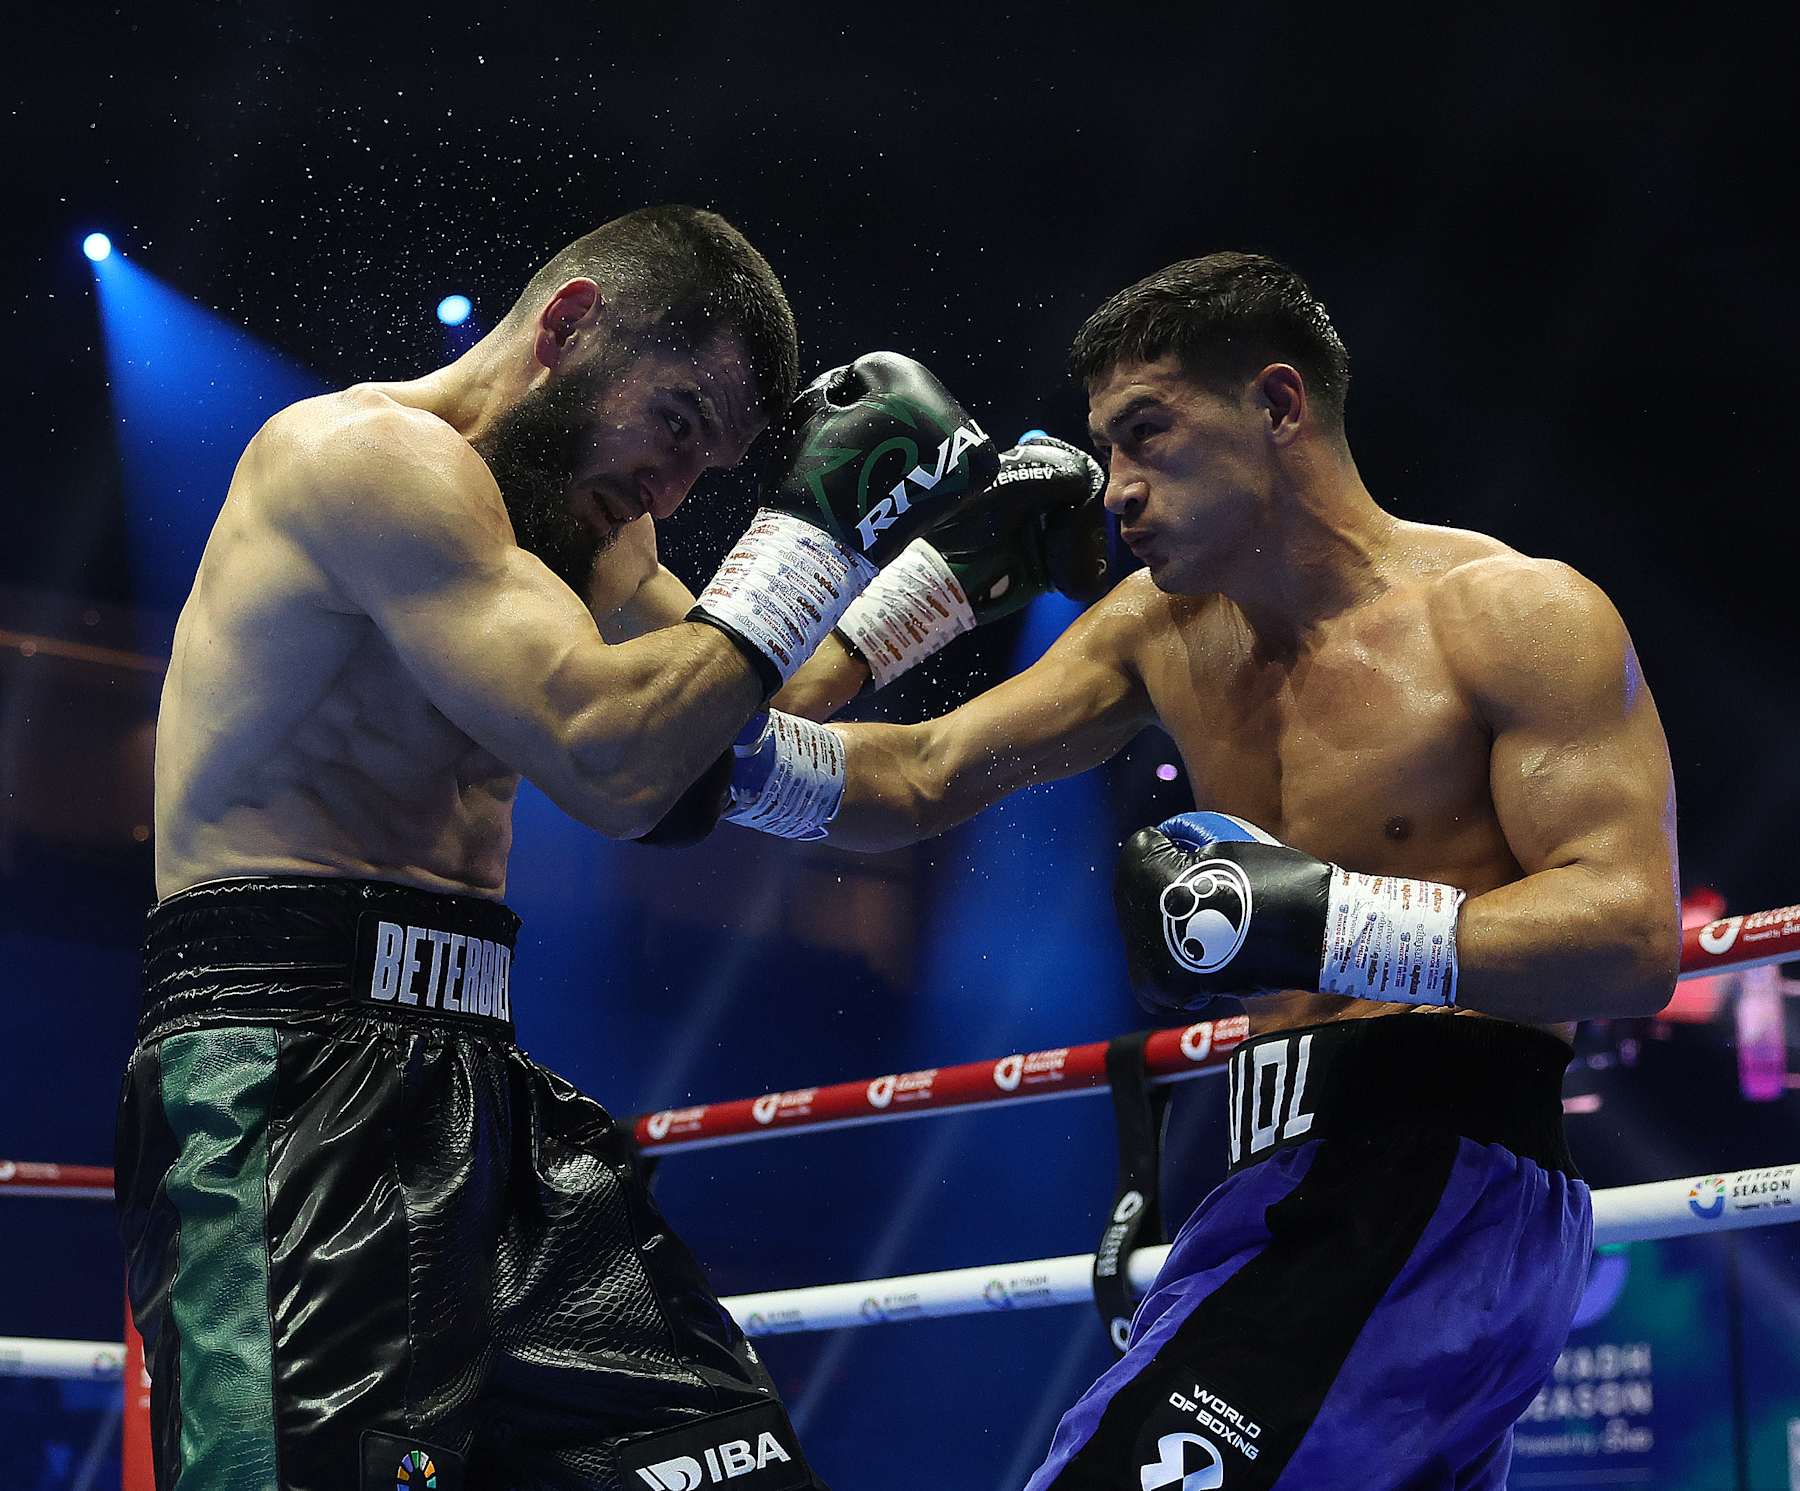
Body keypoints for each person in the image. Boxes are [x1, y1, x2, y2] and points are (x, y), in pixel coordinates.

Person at [705, 252, 1682, 1489]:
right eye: (1104, 448)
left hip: (1441, 1185)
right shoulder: (1159, 633)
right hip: (1262, 1182)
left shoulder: (1514, 617)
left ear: (1277, 408)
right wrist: (908, 605)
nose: (1113, 489)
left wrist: (1324, 924)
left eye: (1146, 435)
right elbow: (908, 780)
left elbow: (1632, 934)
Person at [113, 202, 1029, 1491]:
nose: (674, 488)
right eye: (674, 425)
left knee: (720, 1468)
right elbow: (612, 760)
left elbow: (748, 739)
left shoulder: (594, 538)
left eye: (710, 468)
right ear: (571, 325)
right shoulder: (362, 461)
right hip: (282, 1082)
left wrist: (951, 584)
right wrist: (815, 525)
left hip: (480, 1083)